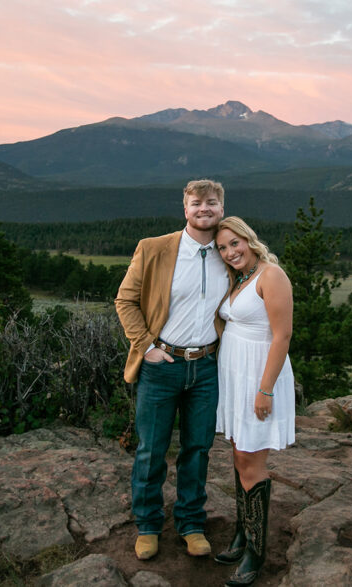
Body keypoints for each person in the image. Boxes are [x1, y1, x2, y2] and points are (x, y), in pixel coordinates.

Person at [115, 179, 231, 561]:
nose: (204, 208)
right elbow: (125, 301)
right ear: (185, 209)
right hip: (162, 365)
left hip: (207, 366)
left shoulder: (230, 252)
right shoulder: (154, 249)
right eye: (196, 203)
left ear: (221, 208)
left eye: (211, 203)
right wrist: (146, 347)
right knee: (151, 450)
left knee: (197, 450)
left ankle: (191, 523)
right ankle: (148, 526)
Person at [212, 216, 295, 587]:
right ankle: (243, 533)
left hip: (258, 378)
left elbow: (282, 336)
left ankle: (255, 553)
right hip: (234, 376)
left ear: (248, 238)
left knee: (250, 460)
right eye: (222, 248)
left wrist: (265, 390)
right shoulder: (240, 278)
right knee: (238, 453)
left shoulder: (271, 275)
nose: (230, 252)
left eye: (234, 243)